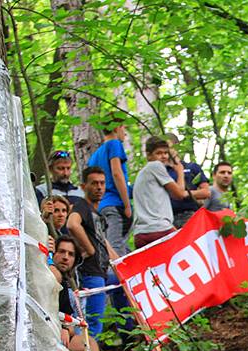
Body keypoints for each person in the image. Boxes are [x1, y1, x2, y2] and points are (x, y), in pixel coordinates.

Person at [68, 166, 119, 337]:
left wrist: (119, 262)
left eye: (102, 183)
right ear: (84, 187)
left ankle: (128, 335)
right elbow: (72, 224)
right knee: (93, 321)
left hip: (102, 271)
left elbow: (102, 240)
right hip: (90, 272)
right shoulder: (82, 206)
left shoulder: (95, 212)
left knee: (122, 283)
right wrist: (89, 249)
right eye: (94, 183)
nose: (99, 187)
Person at [50, 236, 106, 351]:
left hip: (66, 334)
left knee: (90, 342)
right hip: (48, 335)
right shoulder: (48, 275)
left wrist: (67, 329)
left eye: (70, 254)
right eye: (61, 252)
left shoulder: (69, 282)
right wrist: (62, 328)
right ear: (53, 253)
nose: (65, 257)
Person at [87, 115, 132, 258]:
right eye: (123, 127)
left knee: (118, 247)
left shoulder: (94, 155)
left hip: (101, 207)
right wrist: (127, 205)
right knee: (116, 248)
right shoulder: (114, 144)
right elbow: (117, 173)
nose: (124, 132)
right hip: (114, 204)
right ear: (116, 127)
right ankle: (120, 280)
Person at [131, 136, 186, 249]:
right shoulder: (155, 166)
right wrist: (180, 171)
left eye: (166, 153)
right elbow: (179, 194)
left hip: (141, 233)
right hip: (159, 229)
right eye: (159, 153)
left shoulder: (143, 173)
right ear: (149, 155)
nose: (164, 156)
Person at [165, 133, 210, 228]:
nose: (166, 152)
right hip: (167, 219)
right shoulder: (161, 171)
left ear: (176, 147)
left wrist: (184, 193)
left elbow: (206, 192)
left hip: (190, 215)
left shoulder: (192, 167)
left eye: (168, 147)